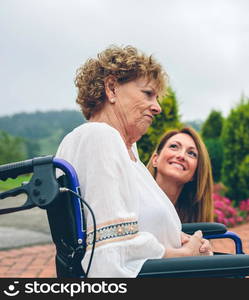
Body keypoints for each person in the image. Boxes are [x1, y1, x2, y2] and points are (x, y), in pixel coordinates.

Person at [55, 45, 211, 278]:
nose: (157, 107)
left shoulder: (128, 153)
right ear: (111, 88)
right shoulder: (99, 137)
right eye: (148, 93)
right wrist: (185, 256)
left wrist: (183, 239)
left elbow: (127, 225)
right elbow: (110, 255)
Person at [146, 127, 214, 224]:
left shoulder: (194, 225)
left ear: (195, 174)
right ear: (155, 159)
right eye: (174, 146)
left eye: (191, 153)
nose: (181, 156)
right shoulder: (130, 203)